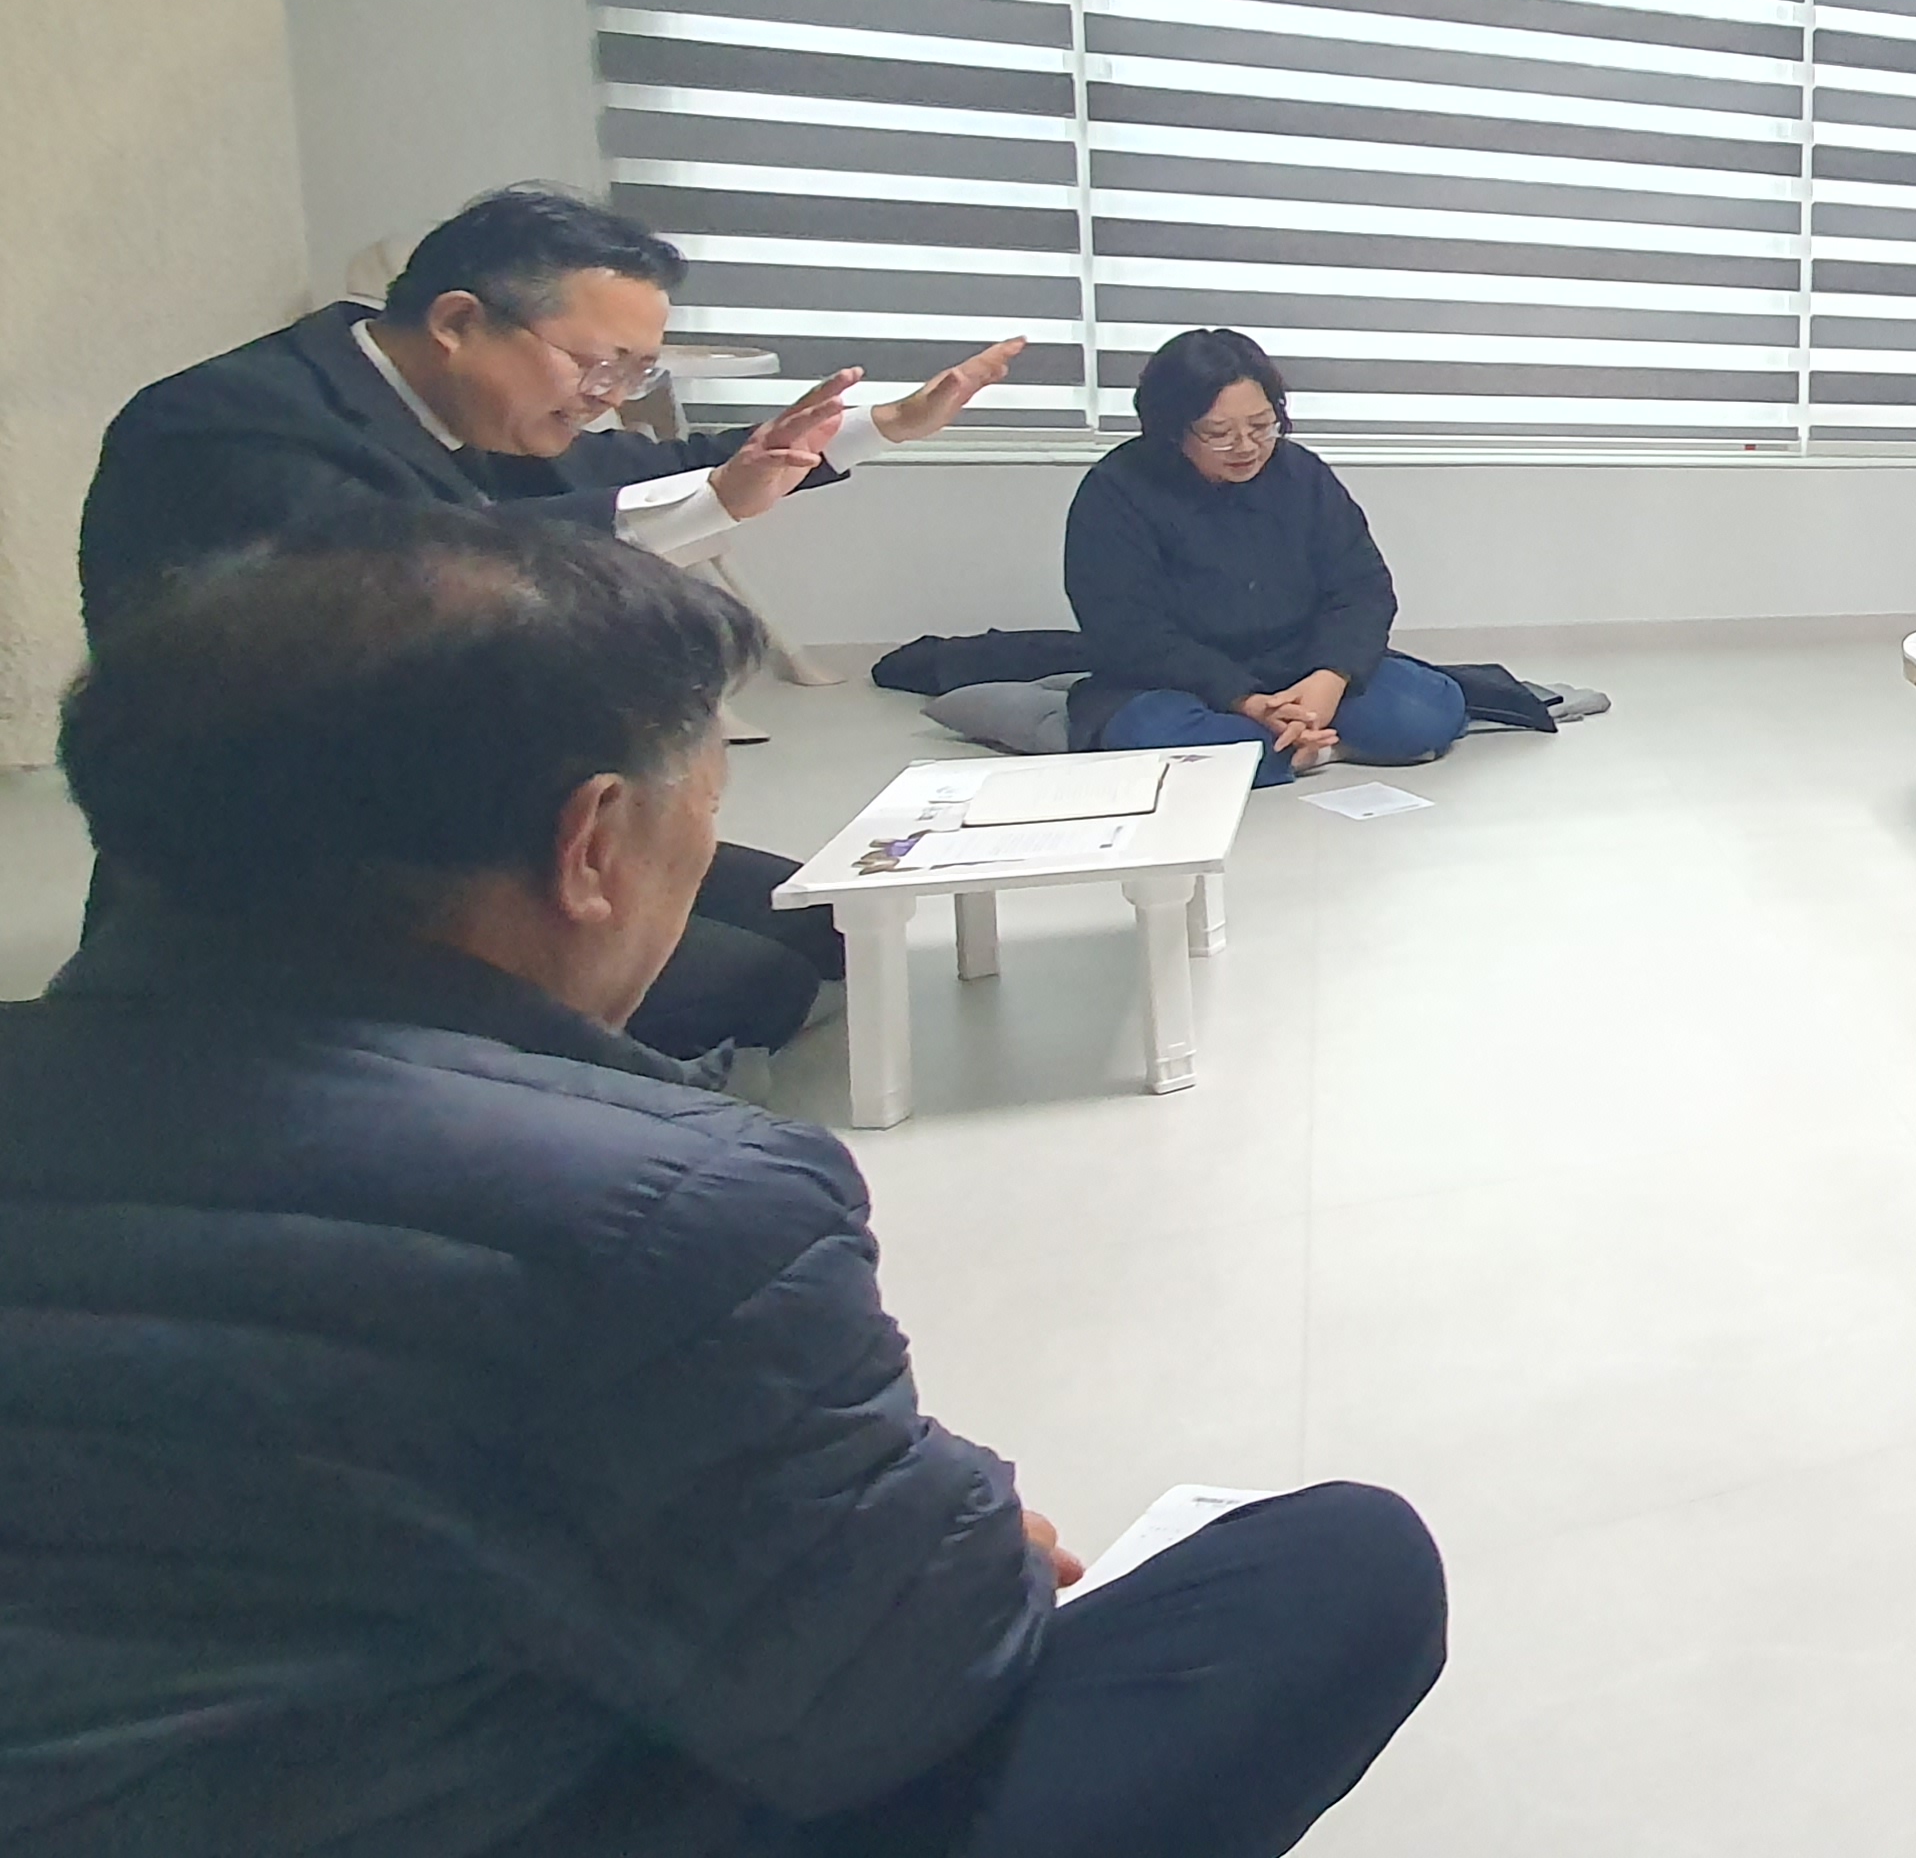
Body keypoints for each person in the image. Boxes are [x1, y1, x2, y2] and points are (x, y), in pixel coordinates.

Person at [0, 510, 1443, 1857]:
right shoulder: (667, 1203)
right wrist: (975, 1546)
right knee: (1341, 1570)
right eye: (697, 812)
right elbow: (893, 1686)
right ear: (592, 846)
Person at [74, 184, 1025, 1061]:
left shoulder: (456, 404)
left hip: (482, 810)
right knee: (750, 986)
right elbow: (427, 582)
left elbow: (638, 472)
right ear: (458, 322)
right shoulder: (227, 427)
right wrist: (714, 504)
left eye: (636, 371)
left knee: (821, 925)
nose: (608, 395)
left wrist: (880, 428)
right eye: (597, 363)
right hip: (327, 863)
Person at [1065, 329, 1470, 788]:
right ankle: (1307, 750)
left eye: (1261, 426)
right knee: (1152, 732)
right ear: (1172, 428)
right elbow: (1126, 629)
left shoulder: (1301, 474)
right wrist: (1245, 698)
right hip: (1181, 681)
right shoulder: (1115, 491)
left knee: (1425, 707)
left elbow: (1362, 588)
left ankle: (1285, 749)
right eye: (1219, 433)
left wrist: (1329, 678)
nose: (1246, 446)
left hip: (1300, 666)